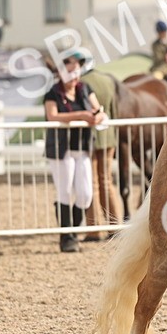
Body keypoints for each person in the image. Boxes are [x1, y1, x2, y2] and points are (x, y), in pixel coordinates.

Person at [43, 53, 106, 252]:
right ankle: (67, 236)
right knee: (65, 191)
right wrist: (81, 115)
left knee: (86, 194)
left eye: (77, 71)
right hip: (62, 149)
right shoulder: (53, 93)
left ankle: (72, 231)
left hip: (82, 147)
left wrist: (98, 116)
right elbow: (52, 116)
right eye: (70, 72)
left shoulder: (85, 89)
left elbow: (99, 110)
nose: (75, 77)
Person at [79, 61, 123, 241]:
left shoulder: (81, 82)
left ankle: (94, 228)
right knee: (107, 181)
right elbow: (113, 110)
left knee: (93, 183)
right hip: (108, 134)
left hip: (89, 135)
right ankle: (115, 226)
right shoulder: (107, 80)